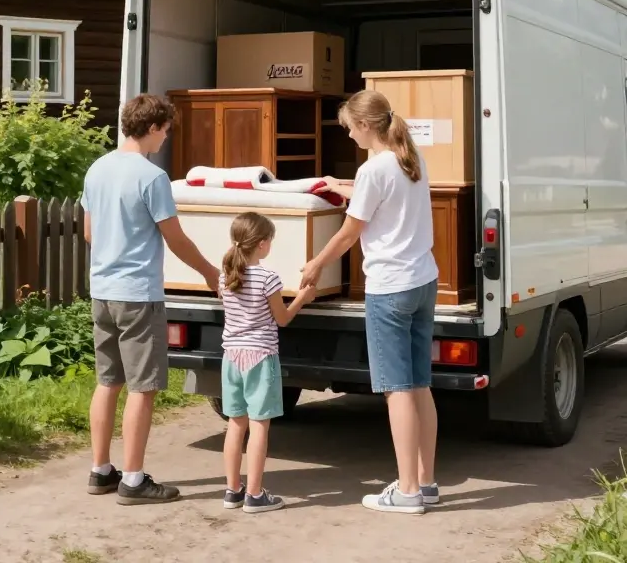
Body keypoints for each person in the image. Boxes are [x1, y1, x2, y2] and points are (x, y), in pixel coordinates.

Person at [299, 89, 439, 515]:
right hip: (422, 282)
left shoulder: (374, 170)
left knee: (396, 390)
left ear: (364, 126)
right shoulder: (409, 160)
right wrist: (342, 185)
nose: (348, 135)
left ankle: (407, 492)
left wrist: (316, 264)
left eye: (348, 128)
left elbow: (349, 231)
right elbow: (375, 196)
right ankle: (426, 482)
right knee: (419, 386)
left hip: (390, 289)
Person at [82, 93, 221, 506]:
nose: (166, 139)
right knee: (143, 387)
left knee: (108, 381)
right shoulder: (151, 177)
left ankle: (100, 470)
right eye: (166, 130)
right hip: (139, 294)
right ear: (155, 127)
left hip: (102, 291)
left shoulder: (97, 169)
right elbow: (174, 237)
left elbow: (89, 233)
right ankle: (134, 480)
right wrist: (210, 273)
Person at [219, 211, 316, 514]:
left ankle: (233, 490)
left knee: (236, 424)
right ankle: (255, 494)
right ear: (262, 244)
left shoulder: (224, 276)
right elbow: (283, 318)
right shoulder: (267, 277)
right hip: (260, 357)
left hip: (231, 356)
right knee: (260, 425)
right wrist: (302, 297)